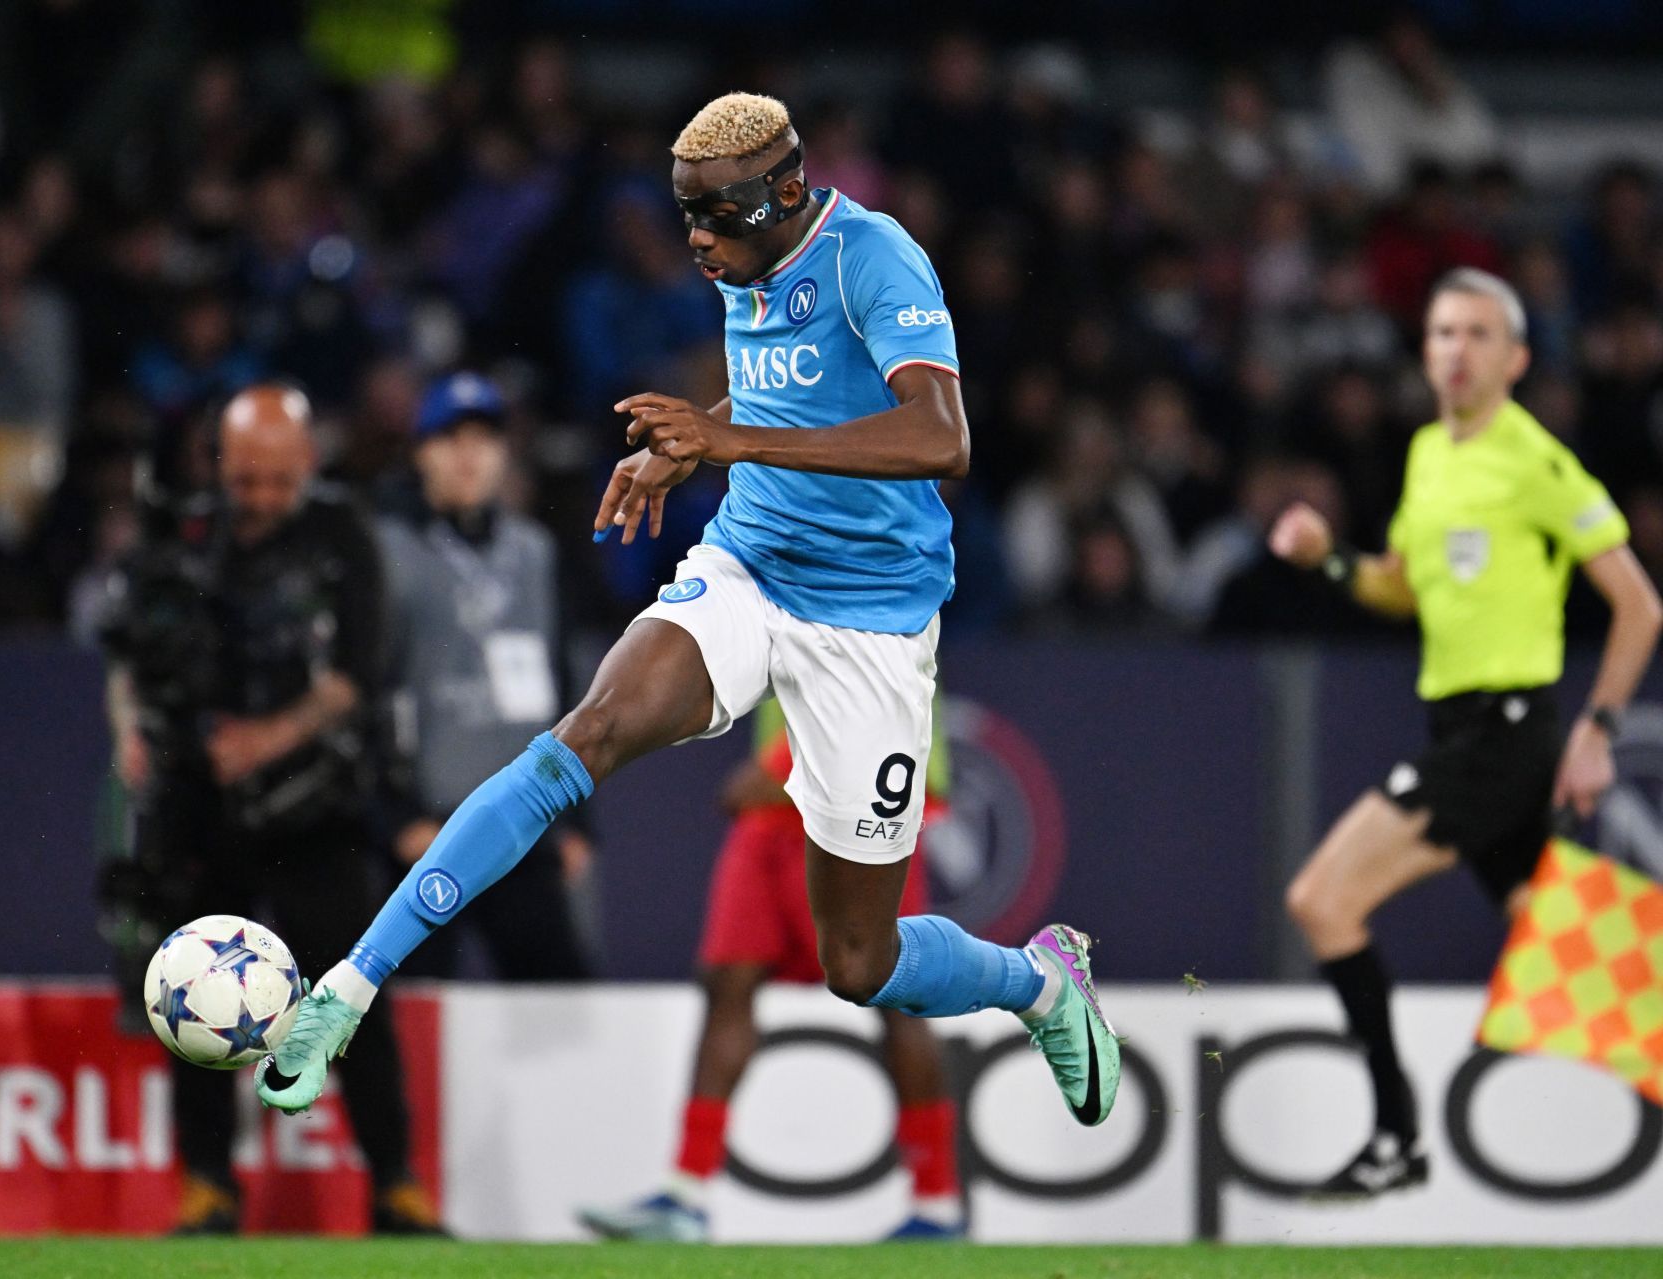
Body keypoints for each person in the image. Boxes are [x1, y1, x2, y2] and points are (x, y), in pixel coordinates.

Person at [255, 93, 1120, 1140]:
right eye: (687, 217)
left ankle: (1038, 983)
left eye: (720, 218)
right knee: (585, 736)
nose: (700, 243)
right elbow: (787, 406)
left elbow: (942, 439)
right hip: (750, 565)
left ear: (789, 192)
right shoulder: (741, 260)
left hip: (872, 621)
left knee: (862, 962)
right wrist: (697, 437)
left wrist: (730, 443)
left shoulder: (873, 258)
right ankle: (350, 985)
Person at [1269, 268, 1663, 1197]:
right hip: (1459, 720)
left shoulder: (1534, 460)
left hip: (1505, 730)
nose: (1456, 349)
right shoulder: (1426, 455)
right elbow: (1400, 588)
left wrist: (1598, 729)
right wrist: (1331, 561)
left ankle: (1395, 1138)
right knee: (1577, 955)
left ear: (1518, 358)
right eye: (1443, 332)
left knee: (1322, 899)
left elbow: (1640, 606)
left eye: (1479, 334)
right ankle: (1397, 1141)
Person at [99, 385, 440, 1235]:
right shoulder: (177, 532)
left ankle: (395, 1183)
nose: (260, 497)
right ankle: (207, 1185)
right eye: (246, 478)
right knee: (193, 1003)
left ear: (308, 465)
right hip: (197, 811)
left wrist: (268, 736)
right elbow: (128, 654)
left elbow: (357, 677)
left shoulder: (341, 536)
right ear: (219, 464)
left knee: (349, 998)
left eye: (278, 480)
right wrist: (127, 730)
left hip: (313, 807)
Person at [579, 698, 962, 1242]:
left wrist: (782, 767)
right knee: (726, 986)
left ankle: (937, 1205)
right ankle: (685, 1198)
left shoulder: (882, 613)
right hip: (772, 819)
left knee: (895, 993)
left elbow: (874, 679)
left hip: (857, 810)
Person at [375, 372, 592, 980]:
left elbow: (566, 684)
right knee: (408, 1004)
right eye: (450, 438)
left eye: (485, 438)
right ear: (422, 452)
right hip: (430, 827)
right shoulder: (389, 552)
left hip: (524, 821)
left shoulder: (536, 551)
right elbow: (369, 692)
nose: (469, 455)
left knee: (562, 1003)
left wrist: (576, 819)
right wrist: (395, 817)